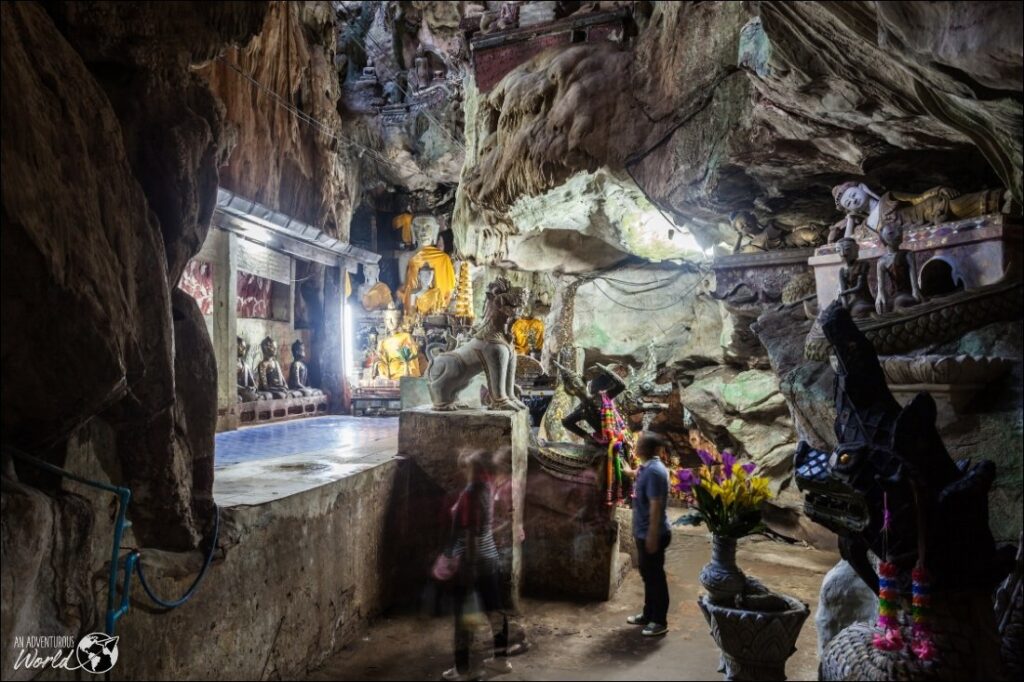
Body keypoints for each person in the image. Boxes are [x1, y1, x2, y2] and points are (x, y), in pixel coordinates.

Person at [443, 450, 514, 681]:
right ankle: (501, 661)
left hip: (473, 562)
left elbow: (471, 533)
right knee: (494, 609)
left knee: (463, 618)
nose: (460, 471)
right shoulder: (487, 488)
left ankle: (462, 670)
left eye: (464, 467)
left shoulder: (470, 493)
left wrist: (468, 567)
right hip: (489, 557)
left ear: (471, 469)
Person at [620, 433, 671, 637]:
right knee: (648, 576)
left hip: (654, 533)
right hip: (645, 532)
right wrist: (627, 472)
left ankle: (659, 621)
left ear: (645, 450)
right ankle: (648, 614)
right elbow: (637, 473)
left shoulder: (655, 472)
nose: (636, 446)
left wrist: (651, 536)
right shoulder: (647, 467)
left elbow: (656, 506)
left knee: (655, 578)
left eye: (639, 444)